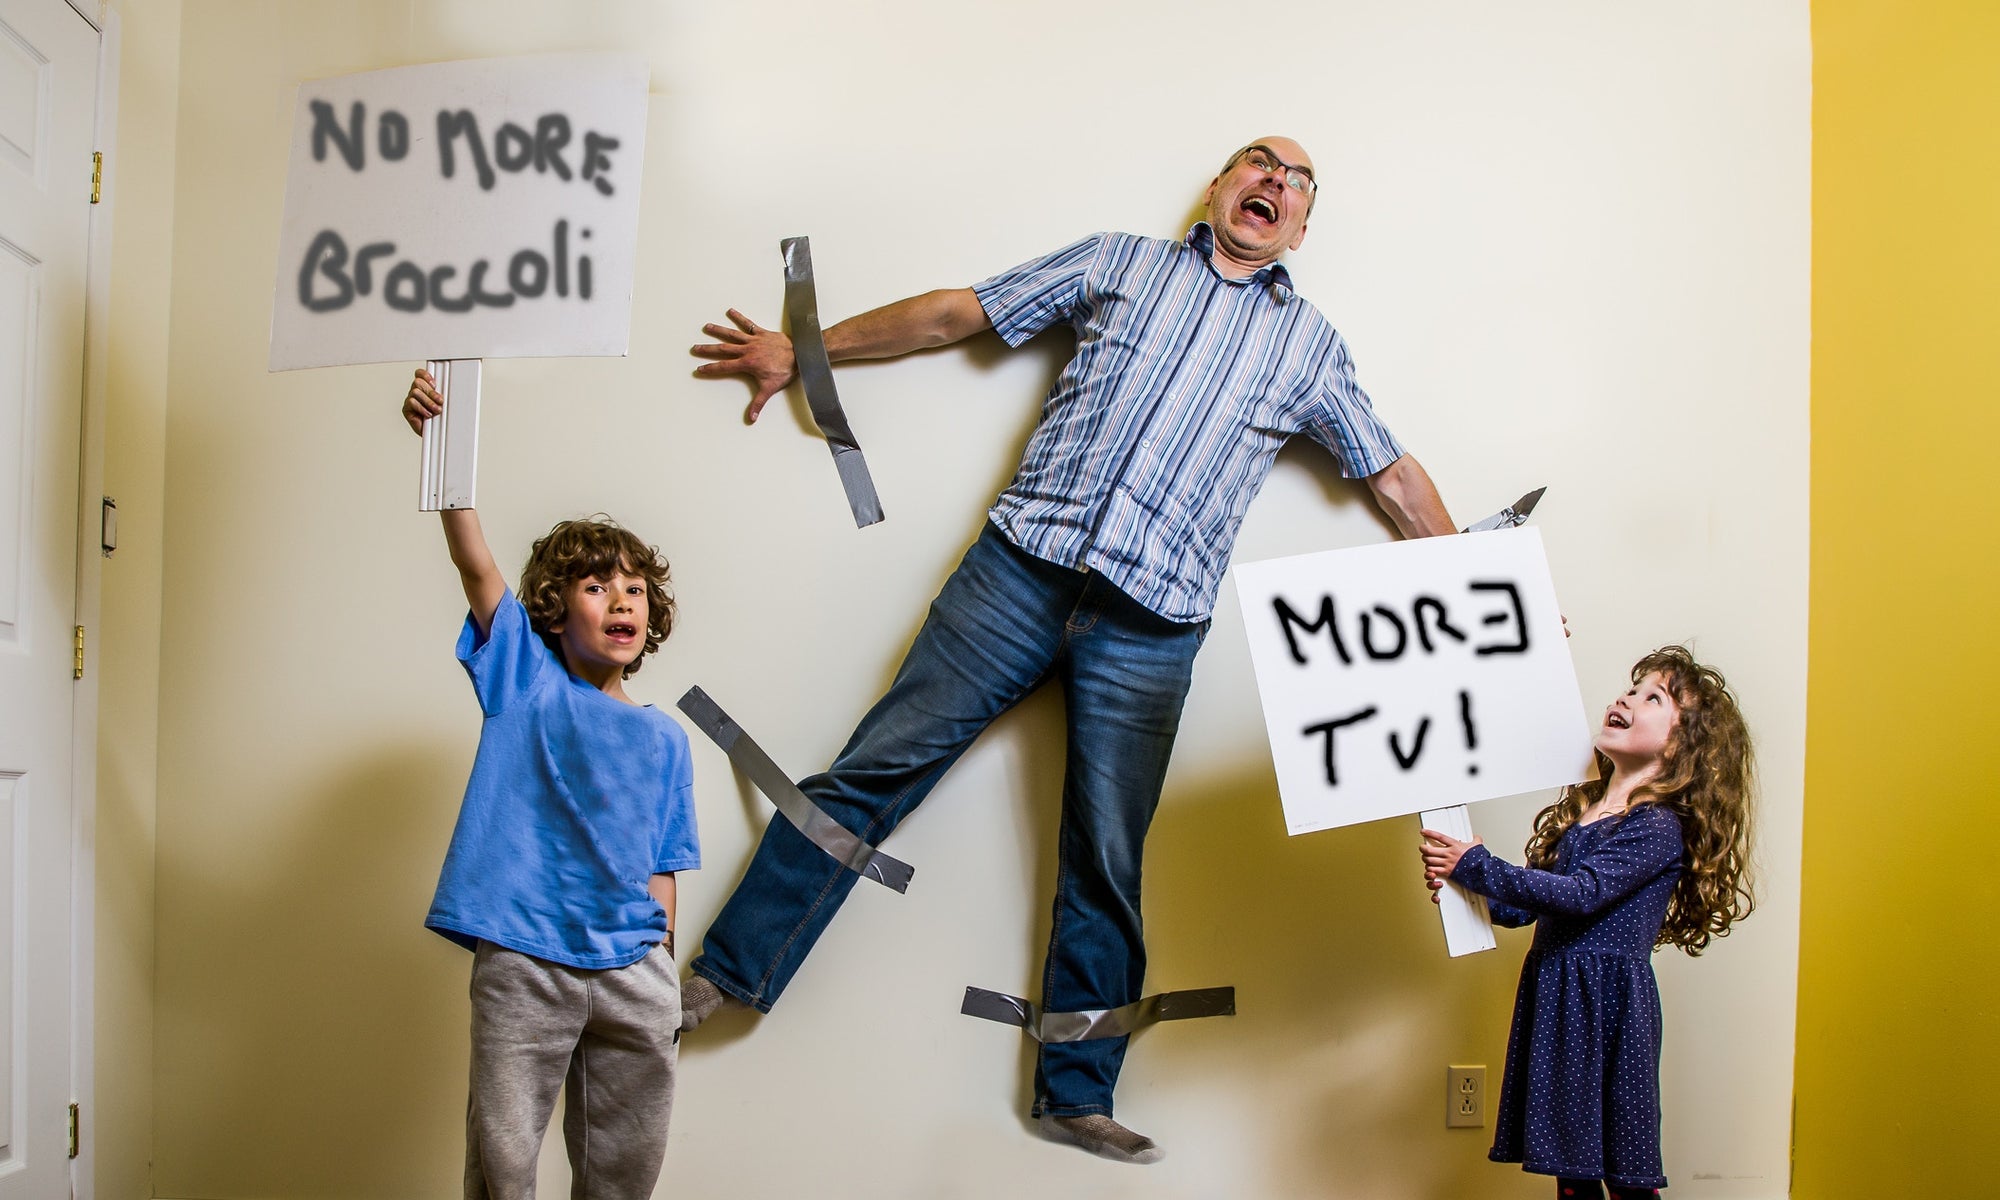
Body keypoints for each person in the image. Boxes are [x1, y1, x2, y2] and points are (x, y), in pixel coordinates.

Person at [684, 137, 1459, 1164]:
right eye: (1256, 163)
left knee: (1105, 856)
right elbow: (956, 313)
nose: (1272, 181)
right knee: (870, 771)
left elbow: (1393, 478)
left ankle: (1073, 1092)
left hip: (1153, 626)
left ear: (1301, 227)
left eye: (1295, 181)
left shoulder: (1310, 347)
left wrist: (1494, 600)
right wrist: (805, 352)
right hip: (1017, 573)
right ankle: (721, 976)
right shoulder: (1116, 261)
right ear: (1220, 187)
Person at [402, 368, 701, 1200]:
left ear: (649, 620)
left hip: (631, 968)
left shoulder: (666, 740)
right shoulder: (524, 680)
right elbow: (474, 566)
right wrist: (442, 448)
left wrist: (660, 960)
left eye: (634, 589)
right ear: (554, 607)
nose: (620, 600)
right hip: (525, 960)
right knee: (503, 1163)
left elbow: (665, 863)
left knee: (625, 1165)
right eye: (596, 585)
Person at [1419, 646, 1755, 1200]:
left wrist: (1478, 866)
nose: (1627, 696)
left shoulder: (1657, 826)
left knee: (1626, 1177)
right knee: (1571, 1171)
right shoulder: (1587, 815)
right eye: (1633, 686)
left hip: (1607, 1006)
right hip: (1559, 998)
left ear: (1680, 746)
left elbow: (1581, 895)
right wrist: (1464, 889)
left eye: (1654, 697)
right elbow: (1525, 907)